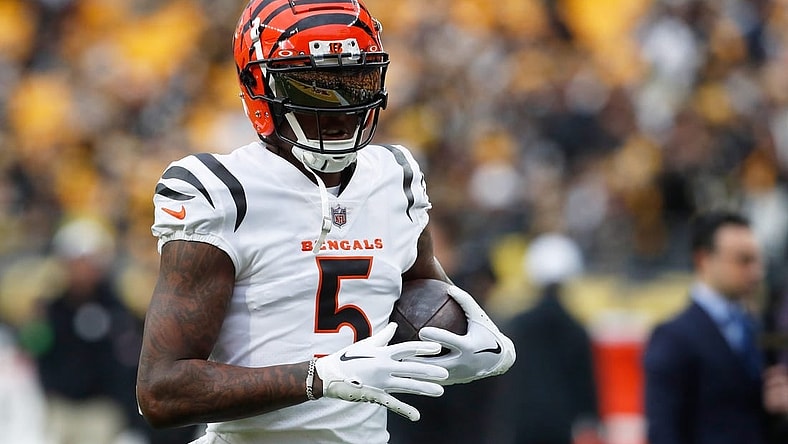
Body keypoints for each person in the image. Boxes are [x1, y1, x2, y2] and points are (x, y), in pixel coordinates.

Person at [135, 1, 516, 443]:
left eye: (356, 82)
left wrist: (480, 339)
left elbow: (427, 296)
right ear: (258, 85)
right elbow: (161, 393)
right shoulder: (223, 190)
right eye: (314, 86)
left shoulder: (395, 177)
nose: (340, 108)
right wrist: (318, 377)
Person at [643, 210, 786, 444]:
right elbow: (663, 430)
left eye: (759, 260)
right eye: (743, 260)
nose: (756, 272)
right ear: (703, 260)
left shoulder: (759, 328)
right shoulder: (673, 336)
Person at [484, 233, 601, 444]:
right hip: (560, 426)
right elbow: (586, 389)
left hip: (521, 424)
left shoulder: (517, 325)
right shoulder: (576, 329)